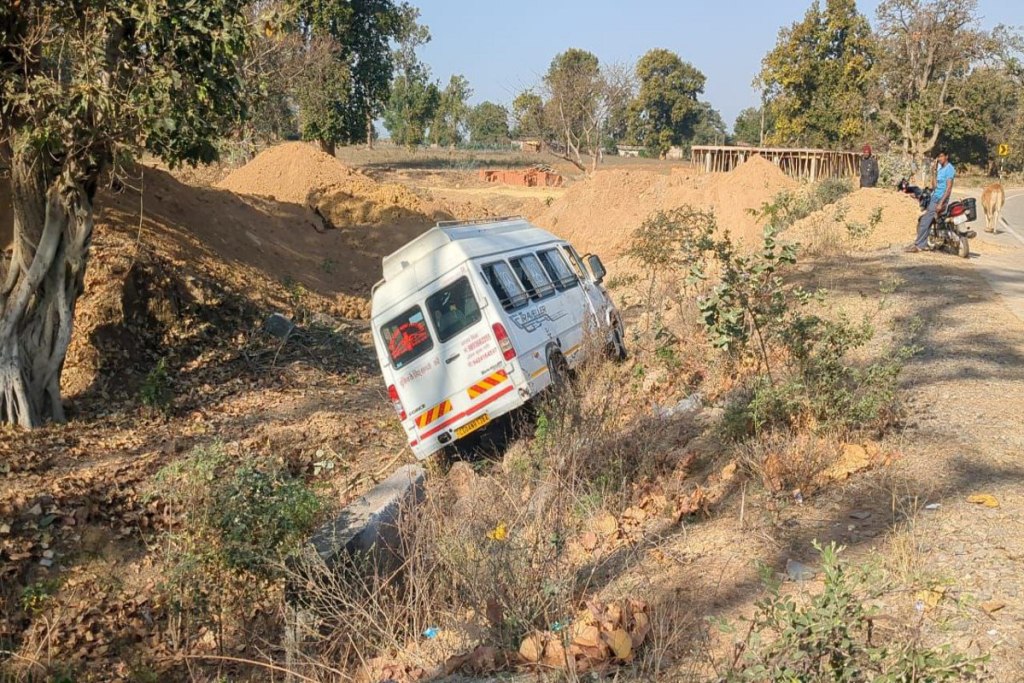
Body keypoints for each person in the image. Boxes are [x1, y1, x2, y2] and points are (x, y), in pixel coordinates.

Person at [905, 149, 955, 253]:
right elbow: (935, 186)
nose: (940, 159)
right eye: (938, 157)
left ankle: (918, 245)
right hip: (935, 197)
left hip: (940, 199)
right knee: (929, 221)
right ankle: (924, 242)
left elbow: (949, 188)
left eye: (942, 156)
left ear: (947, 156)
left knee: (924, 221)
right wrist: (933, 171)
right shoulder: (940, 168)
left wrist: (941, 203)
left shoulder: (949, 169)